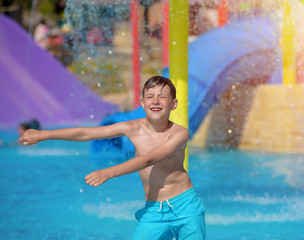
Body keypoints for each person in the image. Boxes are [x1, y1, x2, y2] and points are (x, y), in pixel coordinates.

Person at [19, 76, 206, 240]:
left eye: (162, 97)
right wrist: (44, 135)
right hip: (153, 209)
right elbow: (86, 133)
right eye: (150, 96)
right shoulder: (133, 128)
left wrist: (109, 172)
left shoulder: (179, 134)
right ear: (142, 102)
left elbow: (148, 159)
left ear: (173, 104)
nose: (155, 101)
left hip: (186, 207)